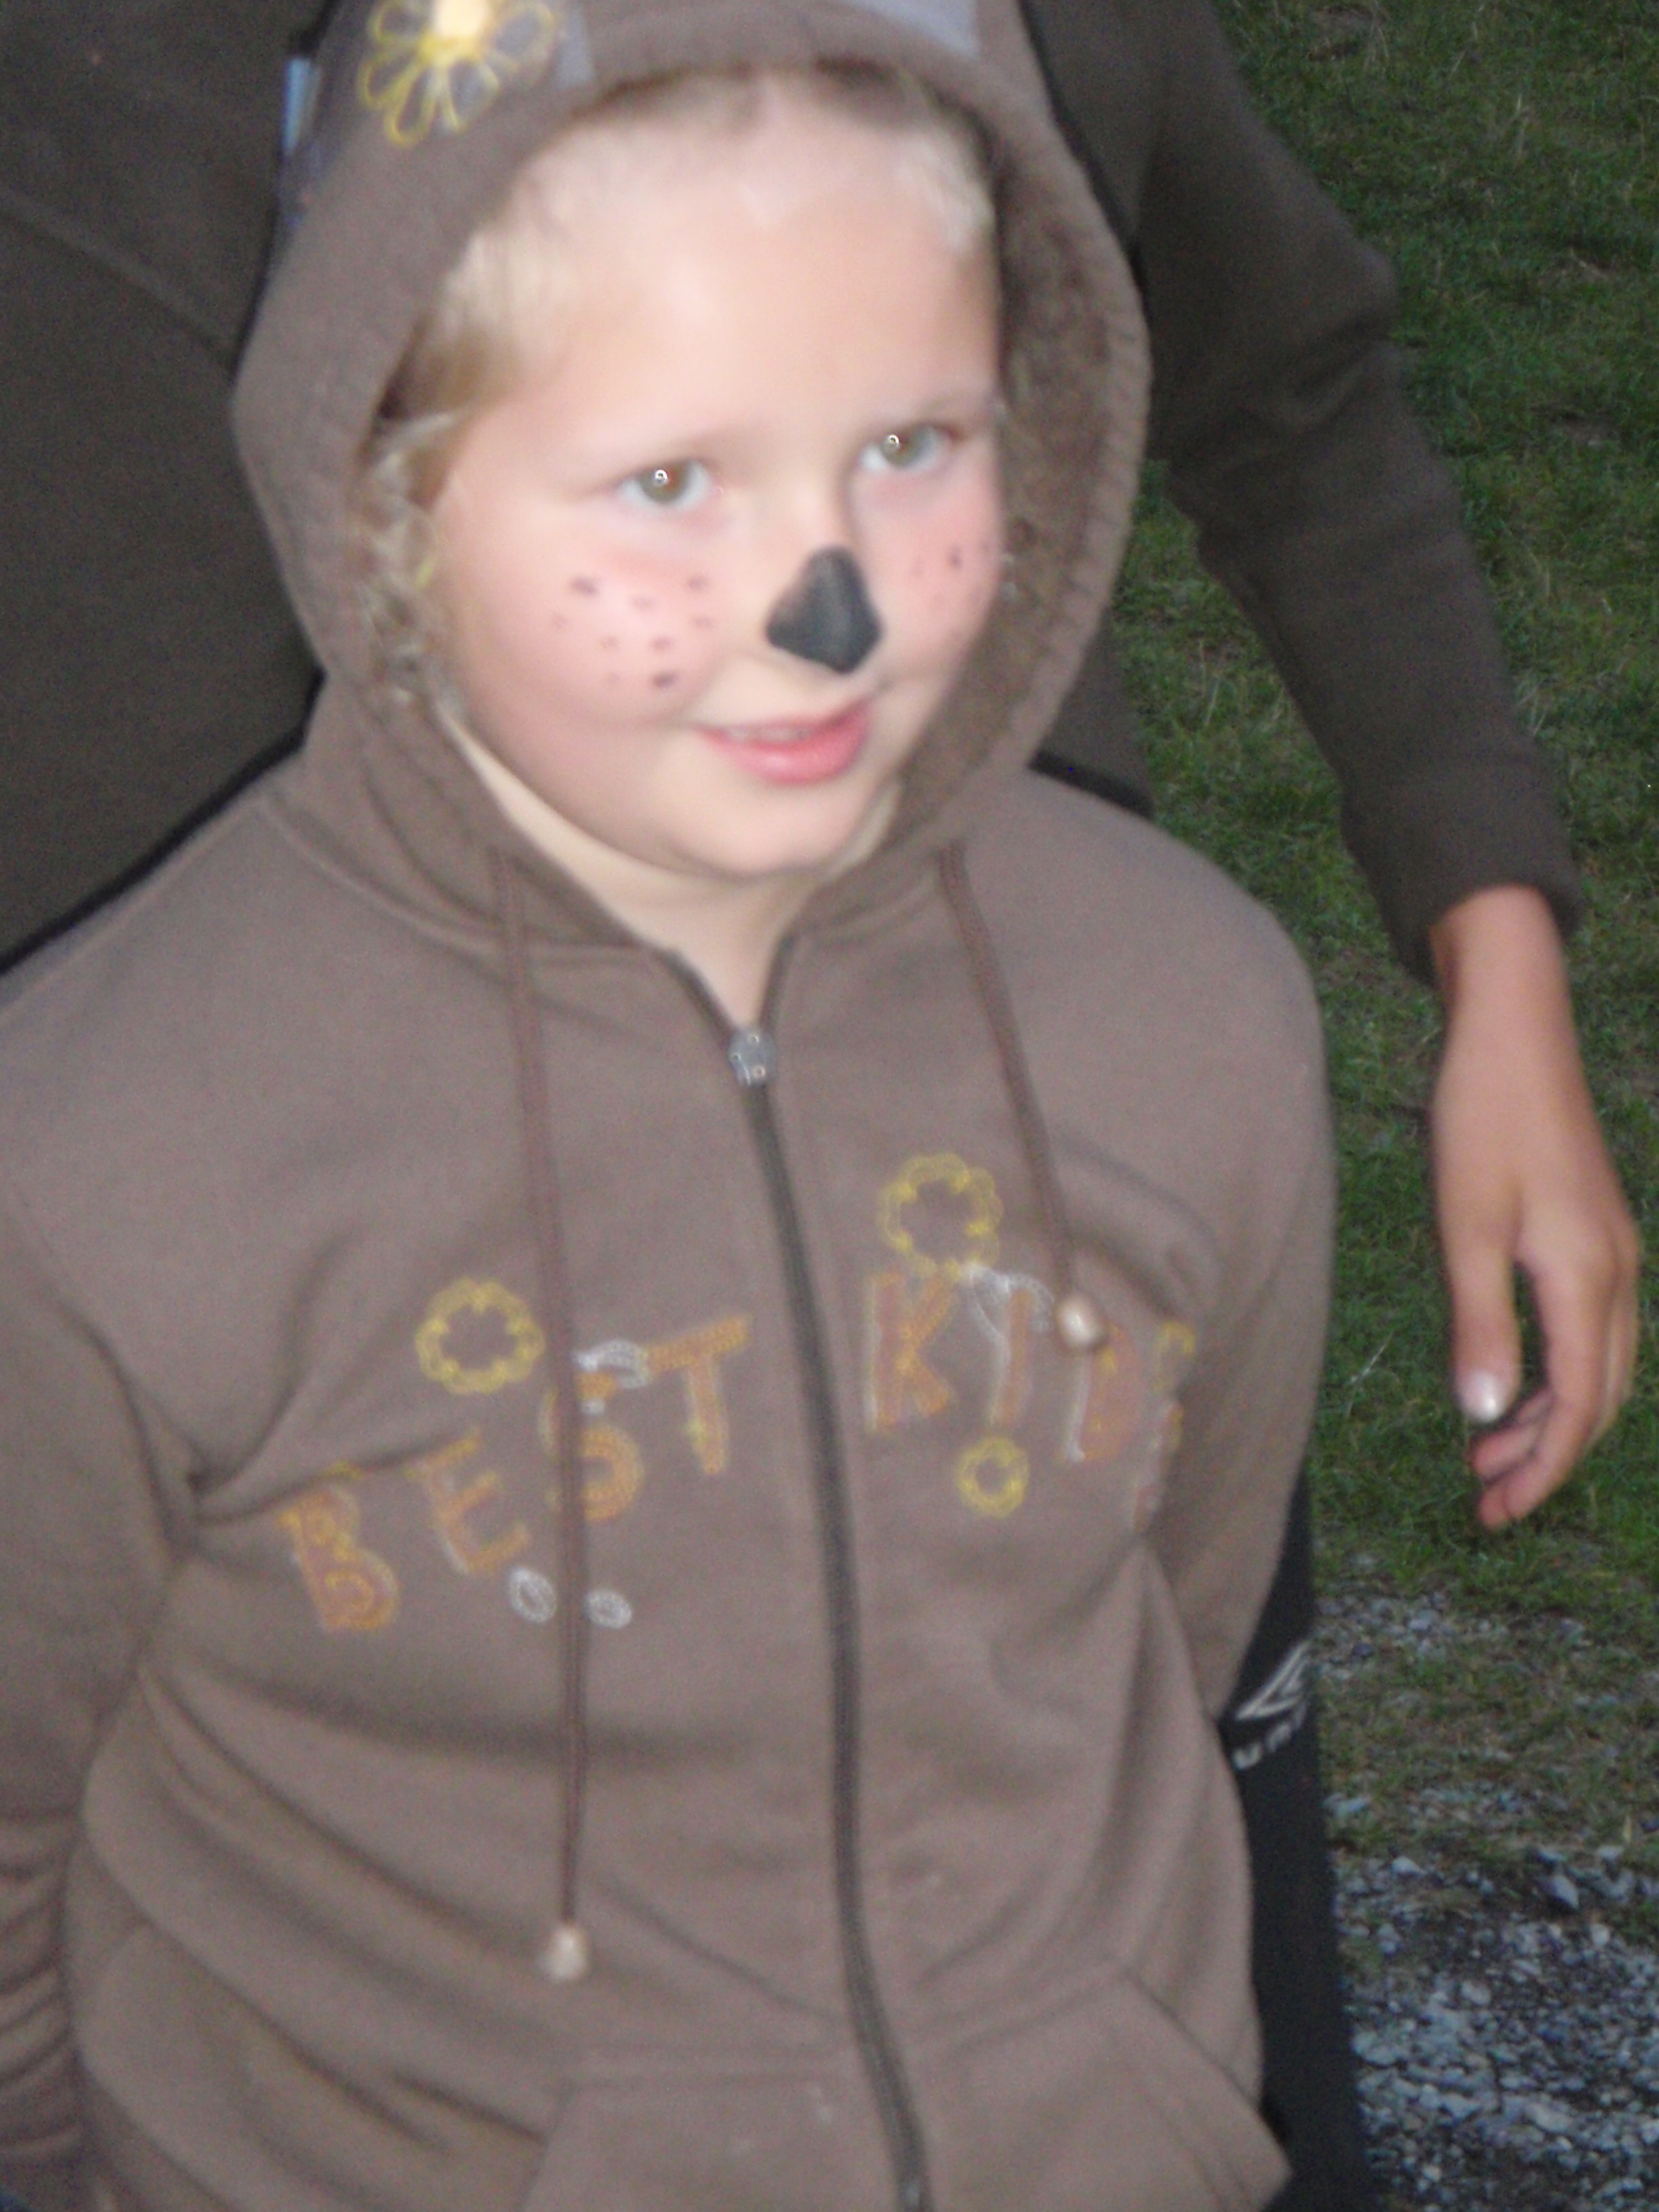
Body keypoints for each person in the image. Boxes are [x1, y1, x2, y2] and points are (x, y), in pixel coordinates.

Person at [0, 2, 1635, 2205]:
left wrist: (1494, 944)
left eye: (916, 443)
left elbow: (1143, 1642)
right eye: (673, 482)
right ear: (378, 486)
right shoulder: (101, 1172)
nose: (829, 602)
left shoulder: (1187, 1032)